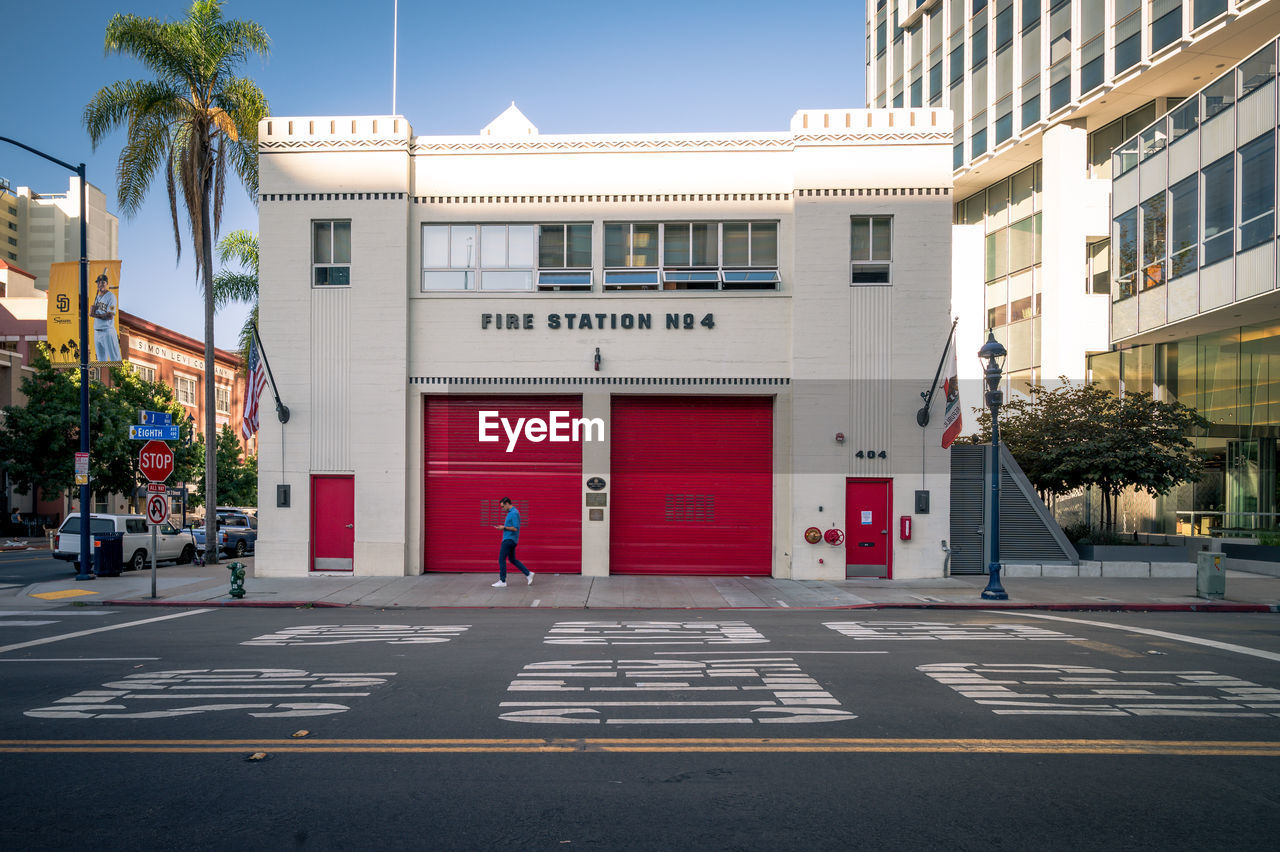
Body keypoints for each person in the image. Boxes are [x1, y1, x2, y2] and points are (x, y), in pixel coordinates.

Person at [491, 497, 533, 587]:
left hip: (509, 540)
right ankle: (528, 574)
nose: (502, 509)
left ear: (507, 504)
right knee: (512, 559)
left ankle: (502, 581)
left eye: (502, 506)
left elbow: (516, 528)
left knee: (501, 559)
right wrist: (502, 528)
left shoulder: (514, 513)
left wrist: (504, 527)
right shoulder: (511, 513)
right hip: (510, 539)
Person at [89, 269, 121, 363]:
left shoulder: (111, 296)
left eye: (103, 282)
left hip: (107, 331)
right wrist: (93, 309)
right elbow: (95, 312)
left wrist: (95, 315)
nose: (100, 284)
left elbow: (110, 315)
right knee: (101, 361)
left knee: (114, 360)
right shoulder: (97, 297)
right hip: (97, 331)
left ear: (106, 284)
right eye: (98, 283)